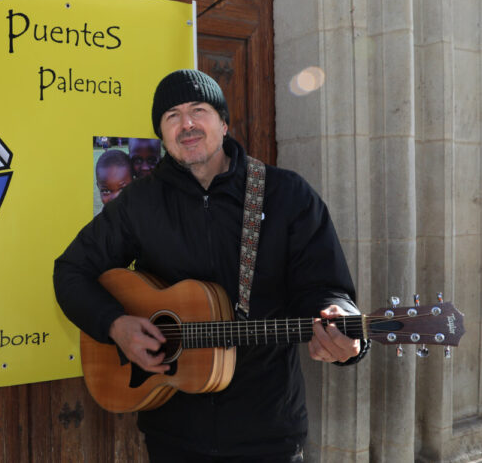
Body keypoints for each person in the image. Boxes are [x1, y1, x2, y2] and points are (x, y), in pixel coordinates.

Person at [54, 69, 368, 462]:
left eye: (198, 110)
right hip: (174, 434)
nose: (186, 123)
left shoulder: (286, 194)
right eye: (172, 116)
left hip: (269, 433)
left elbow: (326, 287)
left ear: (222, 122)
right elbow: (71, 272)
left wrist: (344, 323)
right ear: (163, 135)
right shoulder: (139, 203)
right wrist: (115, 325)